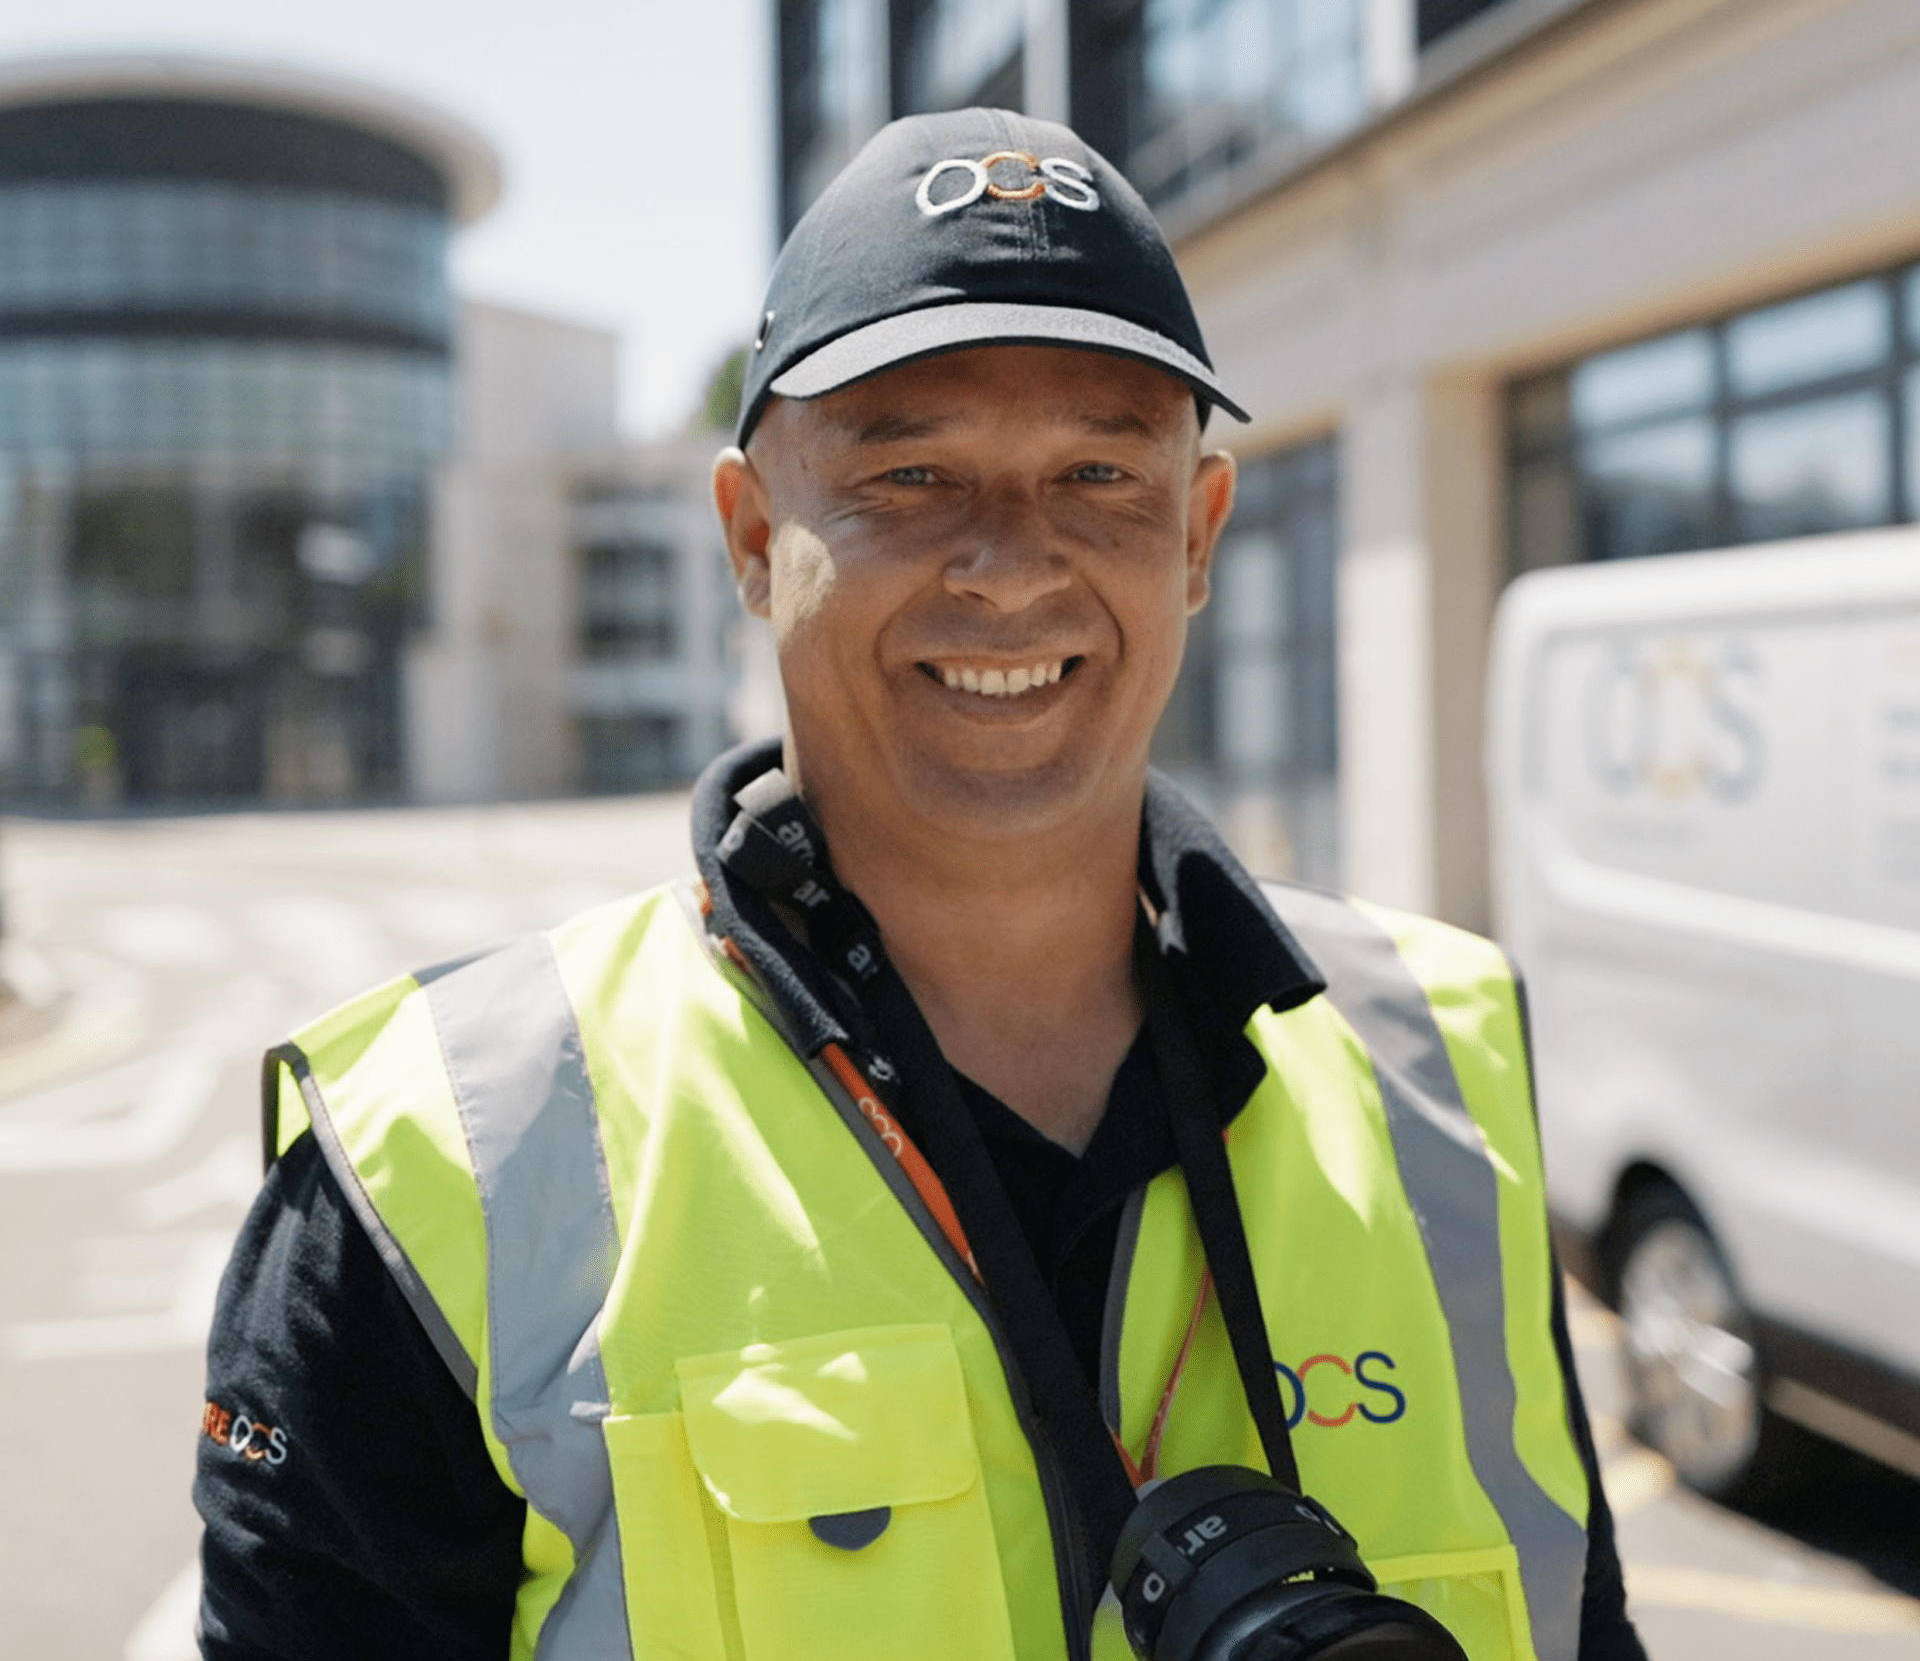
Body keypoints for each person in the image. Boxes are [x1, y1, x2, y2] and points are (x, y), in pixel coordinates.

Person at [195, 109, 1645, 1661]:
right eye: (910, 476)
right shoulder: (434, 1167)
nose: (1012, 566)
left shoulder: (1445, 1062)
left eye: (1099, 470)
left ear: (1200, 533)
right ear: (754, 539)